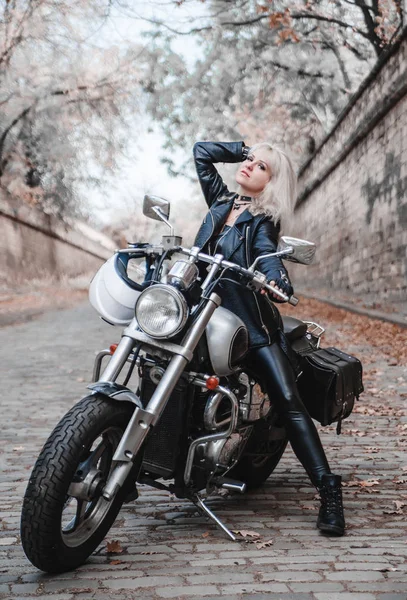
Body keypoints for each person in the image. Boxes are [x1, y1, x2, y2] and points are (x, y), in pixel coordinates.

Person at [193, 140, 345, 536]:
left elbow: (267, 253)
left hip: (247, 323)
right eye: (250, 162)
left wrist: (275, 281)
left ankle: (328, 489)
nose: (250, 167)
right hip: (200, 315)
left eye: (262, 167)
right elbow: (201, 152)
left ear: (272, 183)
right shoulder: (221, 202)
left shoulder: (263, 219)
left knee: (289, 401)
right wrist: (242, 149)